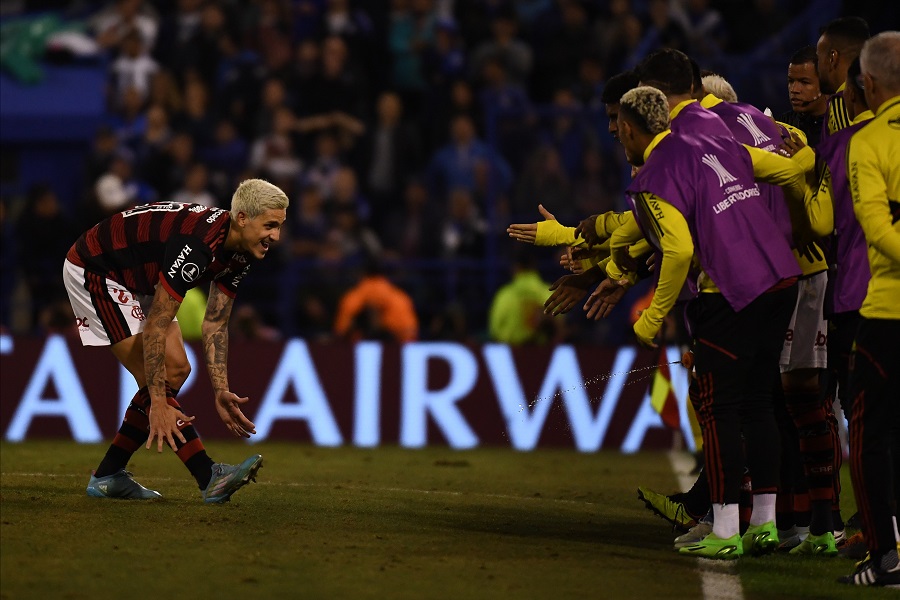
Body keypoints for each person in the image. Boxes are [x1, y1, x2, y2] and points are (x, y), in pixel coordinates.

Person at [611, 86, 802, 559]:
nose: (618, 137)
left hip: (730, 294)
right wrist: (806, 148)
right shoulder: (716, 139)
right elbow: (789, 168)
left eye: (618, 129)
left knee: (719, 413)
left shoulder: (654, 174)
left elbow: (678, 250)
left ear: (630, 130)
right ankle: (763, 524)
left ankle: (724, 530)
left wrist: (650, 319)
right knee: (758, 404)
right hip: (781, 279)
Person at [62, 178, 288, 503]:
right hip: (98, 268)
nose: (275, 236)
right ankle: (208, 475)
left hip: (141, 275)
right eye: (270, 225)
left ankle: (109, 474)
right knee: (156, 379)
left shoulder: (242, 252)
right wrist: (156, 402)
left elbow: (214, 323)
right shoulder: (199, 245)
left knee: (178, 370)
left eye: (279, 226)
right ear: (242, 218)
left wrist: (221, 389)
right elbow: (155, 328)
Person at [839, 30, 900, 588]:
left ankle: (886, 556)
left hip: (886, 315)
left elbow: (877, 228)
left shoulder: (869, 139)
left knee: (870, 435)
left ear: (869, 83)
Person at [816, 16, 869, 141]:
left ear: (832, 58)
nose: (817, 66)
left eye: (818, 58)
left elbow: (847, 155)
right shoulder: (878, 95)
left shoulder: (843, 102)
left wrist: (806, 158)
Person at [781, 46, 828, 149]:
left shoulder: (841, 125)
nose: (794, 89)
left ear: (824, 83)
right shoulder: (782, 125)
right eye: (791, 81)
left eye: (804, 82)